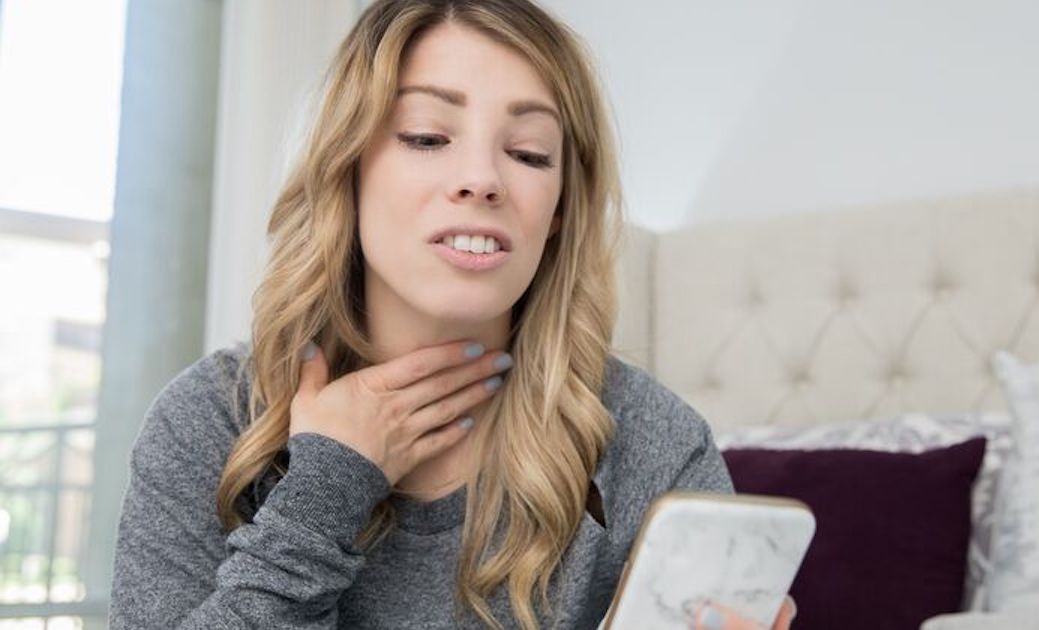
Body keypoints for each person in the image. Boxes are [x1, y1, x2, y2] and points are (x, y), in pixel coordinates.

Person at [108, 1, 796, 628]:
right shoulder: (210, 422)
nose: (483, 179)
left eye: (528, 153)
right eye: (427, 137)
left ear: (558, 211)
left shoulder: (653, 441)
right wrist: (326, 492)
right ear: (347, 166)